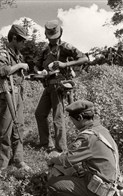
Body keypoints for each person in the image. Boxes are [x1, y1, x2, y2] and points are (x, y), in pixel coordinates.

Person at [46, 100, 121, 196]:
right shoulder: (100, 129)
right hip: (109, 181)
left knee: (52, 185)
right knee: (71, 169)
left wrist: (52, 158)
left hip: (99, 187)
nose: (73, 124)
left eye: (73, 121)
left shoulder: (87, 137)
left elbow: (66, 159)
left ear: (80, 117)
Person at [34, 20, 89, 153]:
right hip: (48, 85)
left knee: (57, 117)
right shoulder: (45, 51)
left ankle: (61, 149)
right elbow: (36, 65)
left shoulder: (65, 47)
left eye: (55, 37)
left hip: (59, 86)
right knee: (39, 114)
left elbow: (84, 59)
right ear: (46, 35)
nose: (53, 40)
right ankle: (46, 143)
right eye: (50, 37)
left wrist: (65, 65)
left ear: (60, 34)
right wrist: (39, 72)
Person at [0, 24, 31, 171]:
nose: (24, 43)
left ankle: (18, 160)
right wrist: (20, 65)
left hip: (18, 95)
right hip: (7, 95)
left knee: (19, 127)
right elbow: (2, 71)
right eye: (22, 40)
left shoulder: (17, 54)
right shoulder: (3, 53)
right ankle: (2, 166)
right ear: (14, 38)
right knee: (5, 131)